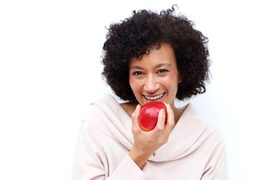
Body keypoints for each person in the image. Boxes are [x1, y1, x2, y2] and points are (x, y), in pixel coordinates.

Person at [72, 5, 227, 180]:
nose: (150, 86)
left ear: (181, 72)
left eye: (162, 71)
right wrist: (140, 153)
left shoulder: (207, 142)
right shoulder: (100, 122)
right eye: (138, 73)